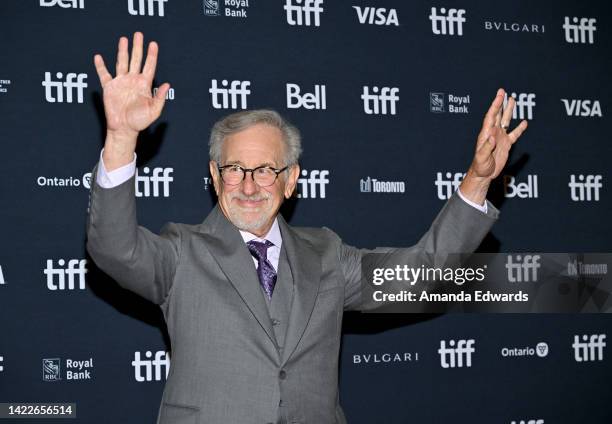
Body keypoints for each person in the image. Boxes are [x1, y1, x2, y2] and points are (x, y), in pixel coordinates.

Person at [87, 32, 528, 424]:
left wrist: (477, 179)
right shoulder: (181, 252)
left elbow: (424, 272)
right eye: (235, 169)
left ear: (291, 180)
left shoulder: (327, 253)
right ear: (215, 174)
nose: (248, 185)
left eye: (265, 170)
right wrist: (122, 138)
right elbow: (114, 248)